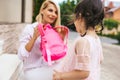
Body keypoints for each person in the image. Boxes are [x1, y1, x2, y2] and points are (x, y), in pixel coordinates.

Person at [53, 0, 104, 80]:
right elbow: (100, 59)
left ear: (79, 16)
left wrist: (60, 76)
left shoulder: (83, 41)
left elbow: (84, 72)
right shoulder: (96, 39)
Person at [18, 0, 66, 80]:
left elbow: (57, 60)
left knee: (68, 68)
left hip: (49, 67)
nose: (54, 15)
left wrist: (61, 40)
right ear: (42, 11)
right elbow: (21, 55)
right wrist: (34, 38)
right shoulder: (30, 29)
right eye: (50, 10)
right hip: (32, 70)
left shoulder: (54, 32)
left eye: (56, 12)